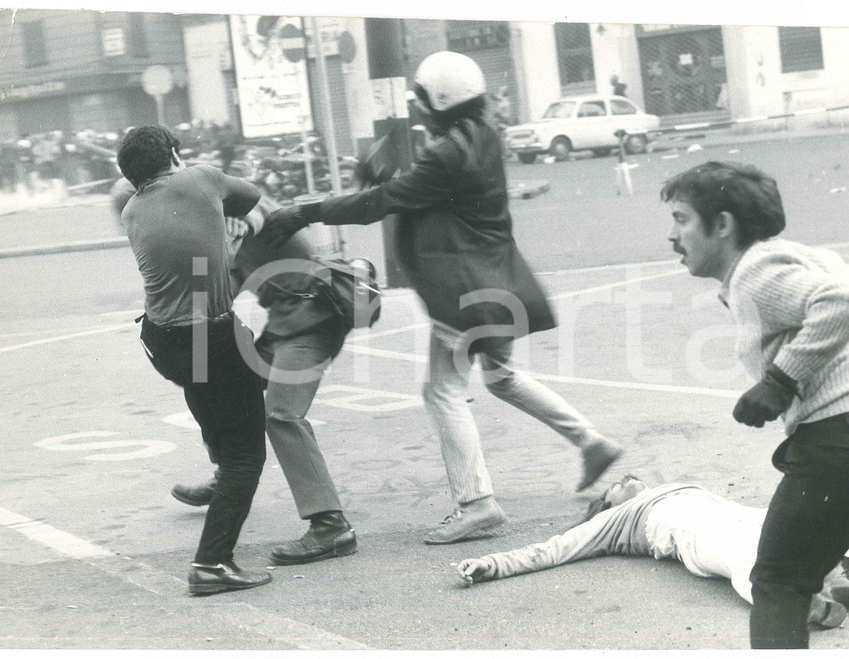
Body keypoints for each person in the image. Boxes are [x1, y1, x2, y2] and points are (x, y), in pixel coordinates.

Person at [258, 51, 623, 545]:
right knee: (503, 377)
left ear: (440, 101)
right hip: (501, 283)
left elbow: (382, 203)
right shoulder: (481, 138)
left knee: (442, 391)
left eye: (423, 99)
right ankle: (590, 441)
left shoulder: (445, 153)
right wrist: (386, 181)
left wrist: (304, 211)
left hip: (467, 291)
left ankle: (477, 505)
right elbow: (418, 194)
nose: (419, 108)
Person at [662, 161, 849, 648]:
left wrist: (782, 380)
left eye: (680, 219)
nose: (671, 237)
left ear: (722, 225)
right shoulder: (802, 256)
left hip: (842, 446)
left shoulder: (754, 274)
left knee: (779, 583)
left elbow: (845, 302)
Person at [113, 181, 361, 568]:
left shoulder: (234, 209)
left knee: (281, 415)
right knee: (207, 379)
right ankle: (227, 471)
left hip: (318, 316)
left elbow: (261, 213)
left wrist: (241, 227)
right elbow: (218, 295)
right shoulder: (212, 234)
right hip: (283, 324)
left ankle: (330, 524)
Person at [116, 125, 270, 595]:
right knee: (249, 452)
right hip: (212, 335)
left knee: (210, 398)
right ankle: (211, 564)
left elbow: (187, 247)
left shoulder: (131, 210)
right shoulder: (201, 178)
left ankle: (218, 476)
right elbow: (252, 196)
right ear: (175, 157)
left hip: (165, 342)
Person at [457, 474, 849, 630]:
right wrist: (491, 564)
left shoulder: (670, 485)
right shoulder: (612, 522)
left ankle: (838, 572)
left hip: (739, 513)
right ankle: (807, 605)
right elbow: (553, 550)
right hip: (691, 532)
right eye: (616, 485)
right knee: (748, 558)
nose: (626, 477)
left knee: (828, 512)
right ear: (608, 504)